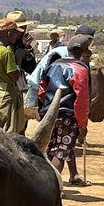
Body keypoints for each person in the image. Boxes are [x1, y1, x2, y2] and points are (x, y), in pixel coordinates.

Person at [38, 35, 93, 185]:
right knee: (61, 151)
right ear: (83, 50)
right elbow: (81, 99)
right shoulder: (80, 69)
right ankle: (51, 185)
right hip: (68, 115)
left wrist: (46, 107)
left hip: (49, 113)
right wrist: (82, 124)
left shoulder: (53, 65)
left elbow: (42, 90)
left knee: (50, 149)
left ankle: (41, 183)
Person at [0, 17, 27, 134]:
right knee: (8, 129)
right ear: (9, 33)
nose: (16, 37)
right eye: (15, 33)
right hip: (7, 94)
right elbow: (14, 77)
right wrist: (18, 59)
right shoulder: (6, 52)